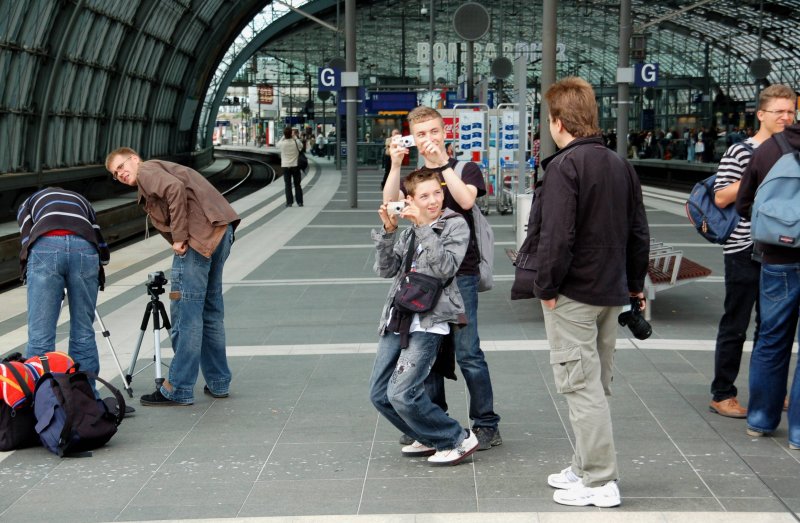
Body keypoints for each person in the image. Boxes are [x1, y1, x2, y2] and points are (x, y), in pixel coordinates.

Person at [518, 77, 649, 507]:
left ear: (557, 121)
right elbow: (638, 234)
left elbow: (557, 236)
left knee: (580, 387)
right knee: (595, 384)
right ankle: (582, 465)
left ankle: (600, 481)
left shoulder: (564, 167)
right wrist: (634, 288)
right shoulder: (619, 165)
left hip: (573, 294)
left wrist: (546, 287)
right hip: (611, 292)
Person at [383, 106, 502, 451]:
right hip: (424, 278)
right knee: (427, 353)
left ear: (444, 131)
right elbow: (389, 204)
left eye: (434, 132)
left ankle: (486, 422)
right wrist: (394, 164)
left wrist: (444, 165)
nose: (429, 139)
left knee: (468, 353)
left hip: (460, 276)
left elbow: (465, 199)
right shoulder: (414, 175)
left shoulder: (464, 168)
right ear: (412, 138)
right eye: (421, 134)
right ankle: (434, 423)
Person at [105, 148, 240, 406]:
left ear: (134, 158)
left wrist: (178, 237)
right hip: (218, 233)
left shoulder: (147, 171)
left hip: (198, 240)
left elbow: (174, 189)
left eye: (122, 166)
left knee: (186, 316)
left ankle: (177, 387)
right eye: (115, 173)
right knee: (210, 312)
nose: (120, 174)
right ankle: (219, 382)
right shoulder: (154, 172)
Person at [368, 167, 479, 466]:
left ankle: (455, 438)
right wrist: (389, 232)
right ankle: (429, 436)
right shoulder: (408, 231)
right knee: (379, 394)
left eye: (437, 193)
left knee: (402, 392)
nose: (433, 201)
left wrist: (424, 228)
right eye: (425, 196)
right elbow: (386, 270)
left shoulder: (455, 226)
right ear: (410, 199)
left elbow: (445, 269)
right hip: (398, 316)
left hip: (430, 321)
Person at [709, 85, 797, 418]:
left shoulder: (794, 149)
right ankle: (722, 393)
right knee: (736, 322)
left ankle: (769, 392)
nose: (786, 118)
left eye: (790, 112)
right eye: (779, 112)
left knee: (773, 326)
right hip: (744, 247)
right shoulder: (741, 151)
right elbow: (721, 197)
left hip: (780, 250)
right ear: (761, 115)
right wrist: (761, 174)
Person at [735, 103, 800, 449]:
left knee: (771, 339)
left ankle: (760, 421)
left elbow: (745, 203)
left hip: (777, 258)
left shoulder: (770, 149)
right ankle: (799, 433)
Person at [17, 188, 110, 396]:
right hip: (85, 249)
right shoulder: (82, 201)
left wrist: (28, 269)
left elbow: (27, 240)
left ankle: (38, 401)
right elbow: (97, 236)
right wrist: (101, 262)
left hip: (46, 247)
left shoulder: (27, 204)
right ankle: (86, 399)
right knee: (83, 331)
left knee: (40, 335)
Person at [277, 127, 304, 207]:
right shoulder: (295, 142)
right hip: (295, 165)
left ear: (284, 134)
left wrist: (284, 136)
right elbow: (301, 146)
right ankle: (300, 202)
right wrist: (295, 137)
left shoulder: (282, 143)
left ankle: (289, 202)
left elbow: (277, 145)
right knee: (297, 184)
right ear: (292, 134)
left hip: (285, 166)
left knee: (287, 185)